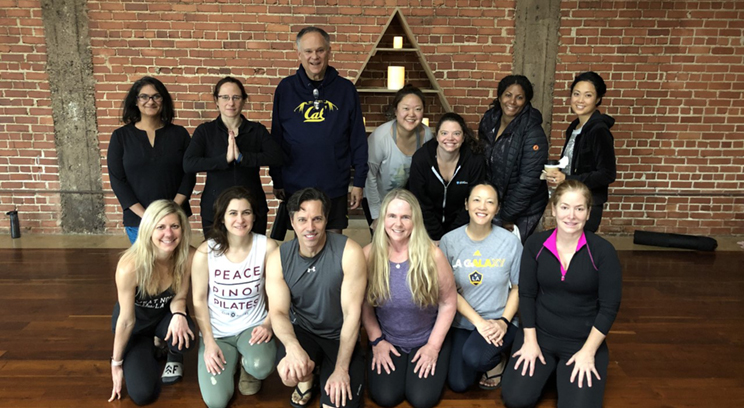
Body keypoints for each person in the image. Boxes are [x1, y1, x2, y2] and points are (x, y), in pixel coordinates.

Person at [501, 180, 622, 408]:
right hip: (540, 335)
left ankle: (559, 373)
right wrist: (529, 340)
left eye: (579, 208)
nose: (572, 215)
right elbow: (526, 295)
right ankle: (551, 372)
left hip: (582, 340)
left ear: (588, 213)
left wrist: (588, 351)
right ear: (554, 209)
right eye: (565, 207)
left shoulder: (603, 251)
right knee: (516, 399)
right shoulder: (535, 245)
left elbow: (609, 307)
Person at [265, 188, 367, 408]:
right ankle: (307, 379)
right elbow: (278, 312)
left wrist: (341, 369)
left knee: (335, 405)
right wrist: (292, 347)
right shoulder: (278, 259)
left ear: (326, 219)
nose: (309, 227)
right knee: (289, 374)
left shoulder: (349, 252)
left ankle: (325, 368)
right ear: (292, 222)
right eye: (302, 219)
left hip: (339, 335)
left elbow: (352, 315)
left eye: (316, 219)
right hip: (304, 331)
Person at [362, 189, 457, 408]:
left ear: (415, 220)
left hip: (426, 337)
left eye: (405, 217)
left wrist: (433, 346)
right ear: (383, 218)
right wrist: (376, 341)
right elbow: (364, 304)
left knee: (422, 400)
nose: (398, 223)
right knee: (386, 398)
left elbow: (449, 302)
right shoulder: (368, 255)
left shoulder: (433, 255)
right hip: (388, 339)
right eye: (392, 216)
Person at [269, 26, 368, 233]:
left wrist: (358, 182)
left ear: (329, 51)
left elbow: (357, 138)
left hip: (334, 183)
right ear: (299, 54)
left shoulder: (346, 90)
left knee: (334, 245)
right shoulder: (285, 89)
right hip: (296, 184)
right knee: (304, 244)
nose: (314, 57)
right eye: (308, 51)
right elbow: (277, 138)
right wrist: (277, 178)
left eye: (320, 50)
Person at [191, 187, 278, 407]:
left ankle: (248, 365)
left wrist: (268, 323)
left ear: (254, 216)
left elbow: (277, 291)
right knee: (216, 402)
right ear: (222, 218)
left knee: (261, 365)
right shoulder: (205, 252)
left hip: (253, 327)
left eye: (246, 212)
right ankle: (234, 361)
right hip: (218, 333)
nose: (240, 219)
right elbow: (199, 300)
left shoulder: (267, 247)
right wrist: (208, 342)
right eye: (233, 213)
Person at [108, 200, 196, 405]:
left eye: (174, 226)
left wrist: (179, 315)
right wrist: (116, 363)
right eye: (161, 227)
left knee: (186, 339)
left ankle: (171, 353)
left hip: (162, 318)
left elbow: (180, 297)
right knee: (143, 394)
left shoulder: (187, 256)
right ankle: (148, 350)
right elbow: (126, 320)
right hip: (135, 327)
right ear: (149, 229)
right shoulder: (130, 266)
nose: (169, 233)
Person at [440, 182, 522, 392]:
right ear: (467, 204)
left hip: (499, 321)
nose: (482, 207)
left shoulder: (509, 242)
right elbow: (448, 291)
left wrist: (503, 322)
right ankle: (482, 353)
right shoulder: (449, 241)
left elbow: (517, 287)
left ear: (497, 208)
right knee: (459, 384)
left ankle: (498, 361)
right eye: (476, 200)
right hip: (465, 322)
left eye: (490, 202)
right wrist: (478, 323)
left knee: (476, 358)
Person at [184, 76, 283, 236]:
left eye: (236, 97)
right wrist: (224, 160)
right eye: (225, 97)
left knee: (254, 258)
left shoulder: (256, 130)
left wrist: (242, 158)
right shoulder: (205, 131)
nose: (231, 103)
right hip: (215, 209)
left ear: (243, 100)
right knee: (216, 256)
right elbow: (189, 164)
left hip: (252, 208)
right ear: (216, 100)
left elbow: (277, 157)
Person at [108, 76, 196, 244]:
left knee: (178, 267)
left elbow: (189, 175)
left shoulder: (179, 134)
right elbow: (118, 180)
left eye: (156, 96)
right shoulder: (121, 137)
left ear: (163, 100)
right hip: (139, 220)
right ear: (135, 101)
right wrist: (148, 216)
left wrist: (171, 210)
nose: (150, 101)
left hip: (175, 218)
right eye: (144, 96)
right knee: (146, 268)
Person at [478, 75, 549, 243]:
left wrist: (507, 215)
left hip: (524, 209)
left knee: (515, 255)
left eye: (519, 97)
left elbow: (529, 181)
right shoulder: (489, 120)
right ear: (500, 96)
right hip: (497, 203)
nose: (512, 101)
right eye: (508, 95)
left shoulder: (533, 132)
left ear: (526, 101)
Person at [546, 71, 616, 233]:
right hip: (570, 199)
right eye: (576, 94)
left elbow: (607, 174)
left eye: (588, 95)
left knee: (579, 251)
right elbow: (575, 162)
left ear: (598, 99)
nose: (580, 100)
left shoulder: (599, 130)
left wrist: (567, 178)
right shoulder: (575, 127)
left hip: (586, 204)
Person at [364, 85, 433, 232]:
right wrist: (376, 215)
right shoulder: (380, 138)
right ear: (395, 111)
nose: (412, 114)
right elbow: (369, 176)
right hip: (379, 200)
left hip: (409, 202)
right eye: (406, 108)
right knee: (383, 245)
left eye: (418, 109)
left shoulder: (426, 134)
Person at [409, 112, 485, 241]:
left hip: (463, 229)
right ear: (437, 136)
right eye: (444, 133)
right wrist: (436, 235)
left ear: (463, 137)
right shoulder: (421, 158)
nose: (450, 138)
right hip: (426, 228)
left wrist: (452, 236)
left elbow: (474, 201)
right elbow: (419, 201)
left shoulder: (474, 161)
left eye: (456, 133)